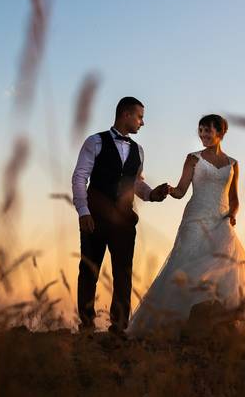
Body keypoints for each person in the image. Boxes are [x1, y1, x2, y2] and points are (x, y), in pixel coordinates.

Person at [127, 114, 245, 337]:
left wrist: (232, 215)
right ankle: (173, 323)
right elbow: (180, 191)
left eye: (208, 131)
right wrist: (168, 190)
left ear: (221, 132)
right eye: (200, 131)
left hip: (221, 220)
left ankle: (213, 323)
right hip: (195, 218)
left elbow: (235, 198)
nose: (203, 135)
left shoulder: (233, 164)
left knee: (223, 267)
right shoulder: (193, 159)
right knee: (184, 265)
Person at [71, 96, 170, 336]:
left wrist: (152, 195)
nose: (142, 123)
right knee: (89, 269)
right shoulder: (95, 141)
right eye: (140, 117)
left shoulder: (139, 151)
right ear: (126, 114)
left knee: (123, 271)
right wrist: (83, 211)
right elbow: (79, 178)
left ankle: (120, 325)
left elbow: (136, 184)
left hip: (125, 221)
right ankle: (87, 323)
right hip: (94, 217)